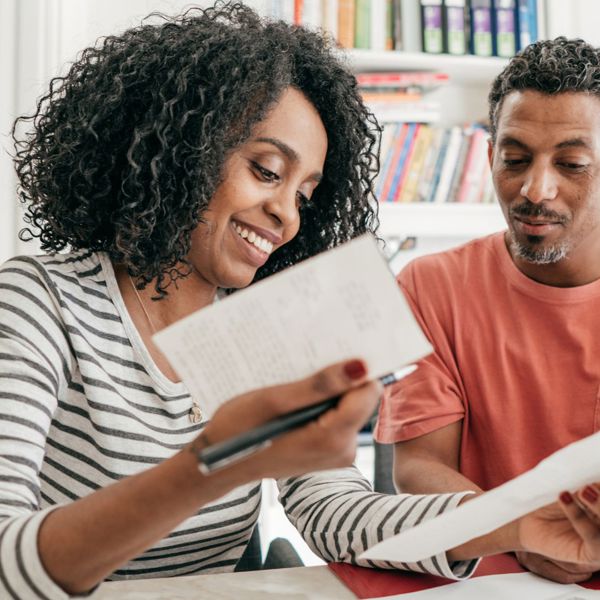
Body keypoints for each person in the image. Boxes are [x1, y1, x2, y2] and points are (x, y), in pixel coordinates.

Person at [3, 4, 600, 597]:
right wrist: (218, 463)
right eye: (266, 171)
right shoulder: (41, 302)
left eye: (306, 194)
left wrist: (514, 525)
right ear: (178, 148)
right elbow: (7, 555)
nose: (286, 215)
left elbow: (334, 512)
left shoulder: (270, 326)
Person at [376, 36, 600, 584]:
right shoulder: (430, 287)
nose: (535, 189)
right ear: (489, 155)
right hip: (487, 575)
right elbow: (418, 465)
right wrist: (525, 530)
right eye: (515, 159)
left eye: (571, 164)